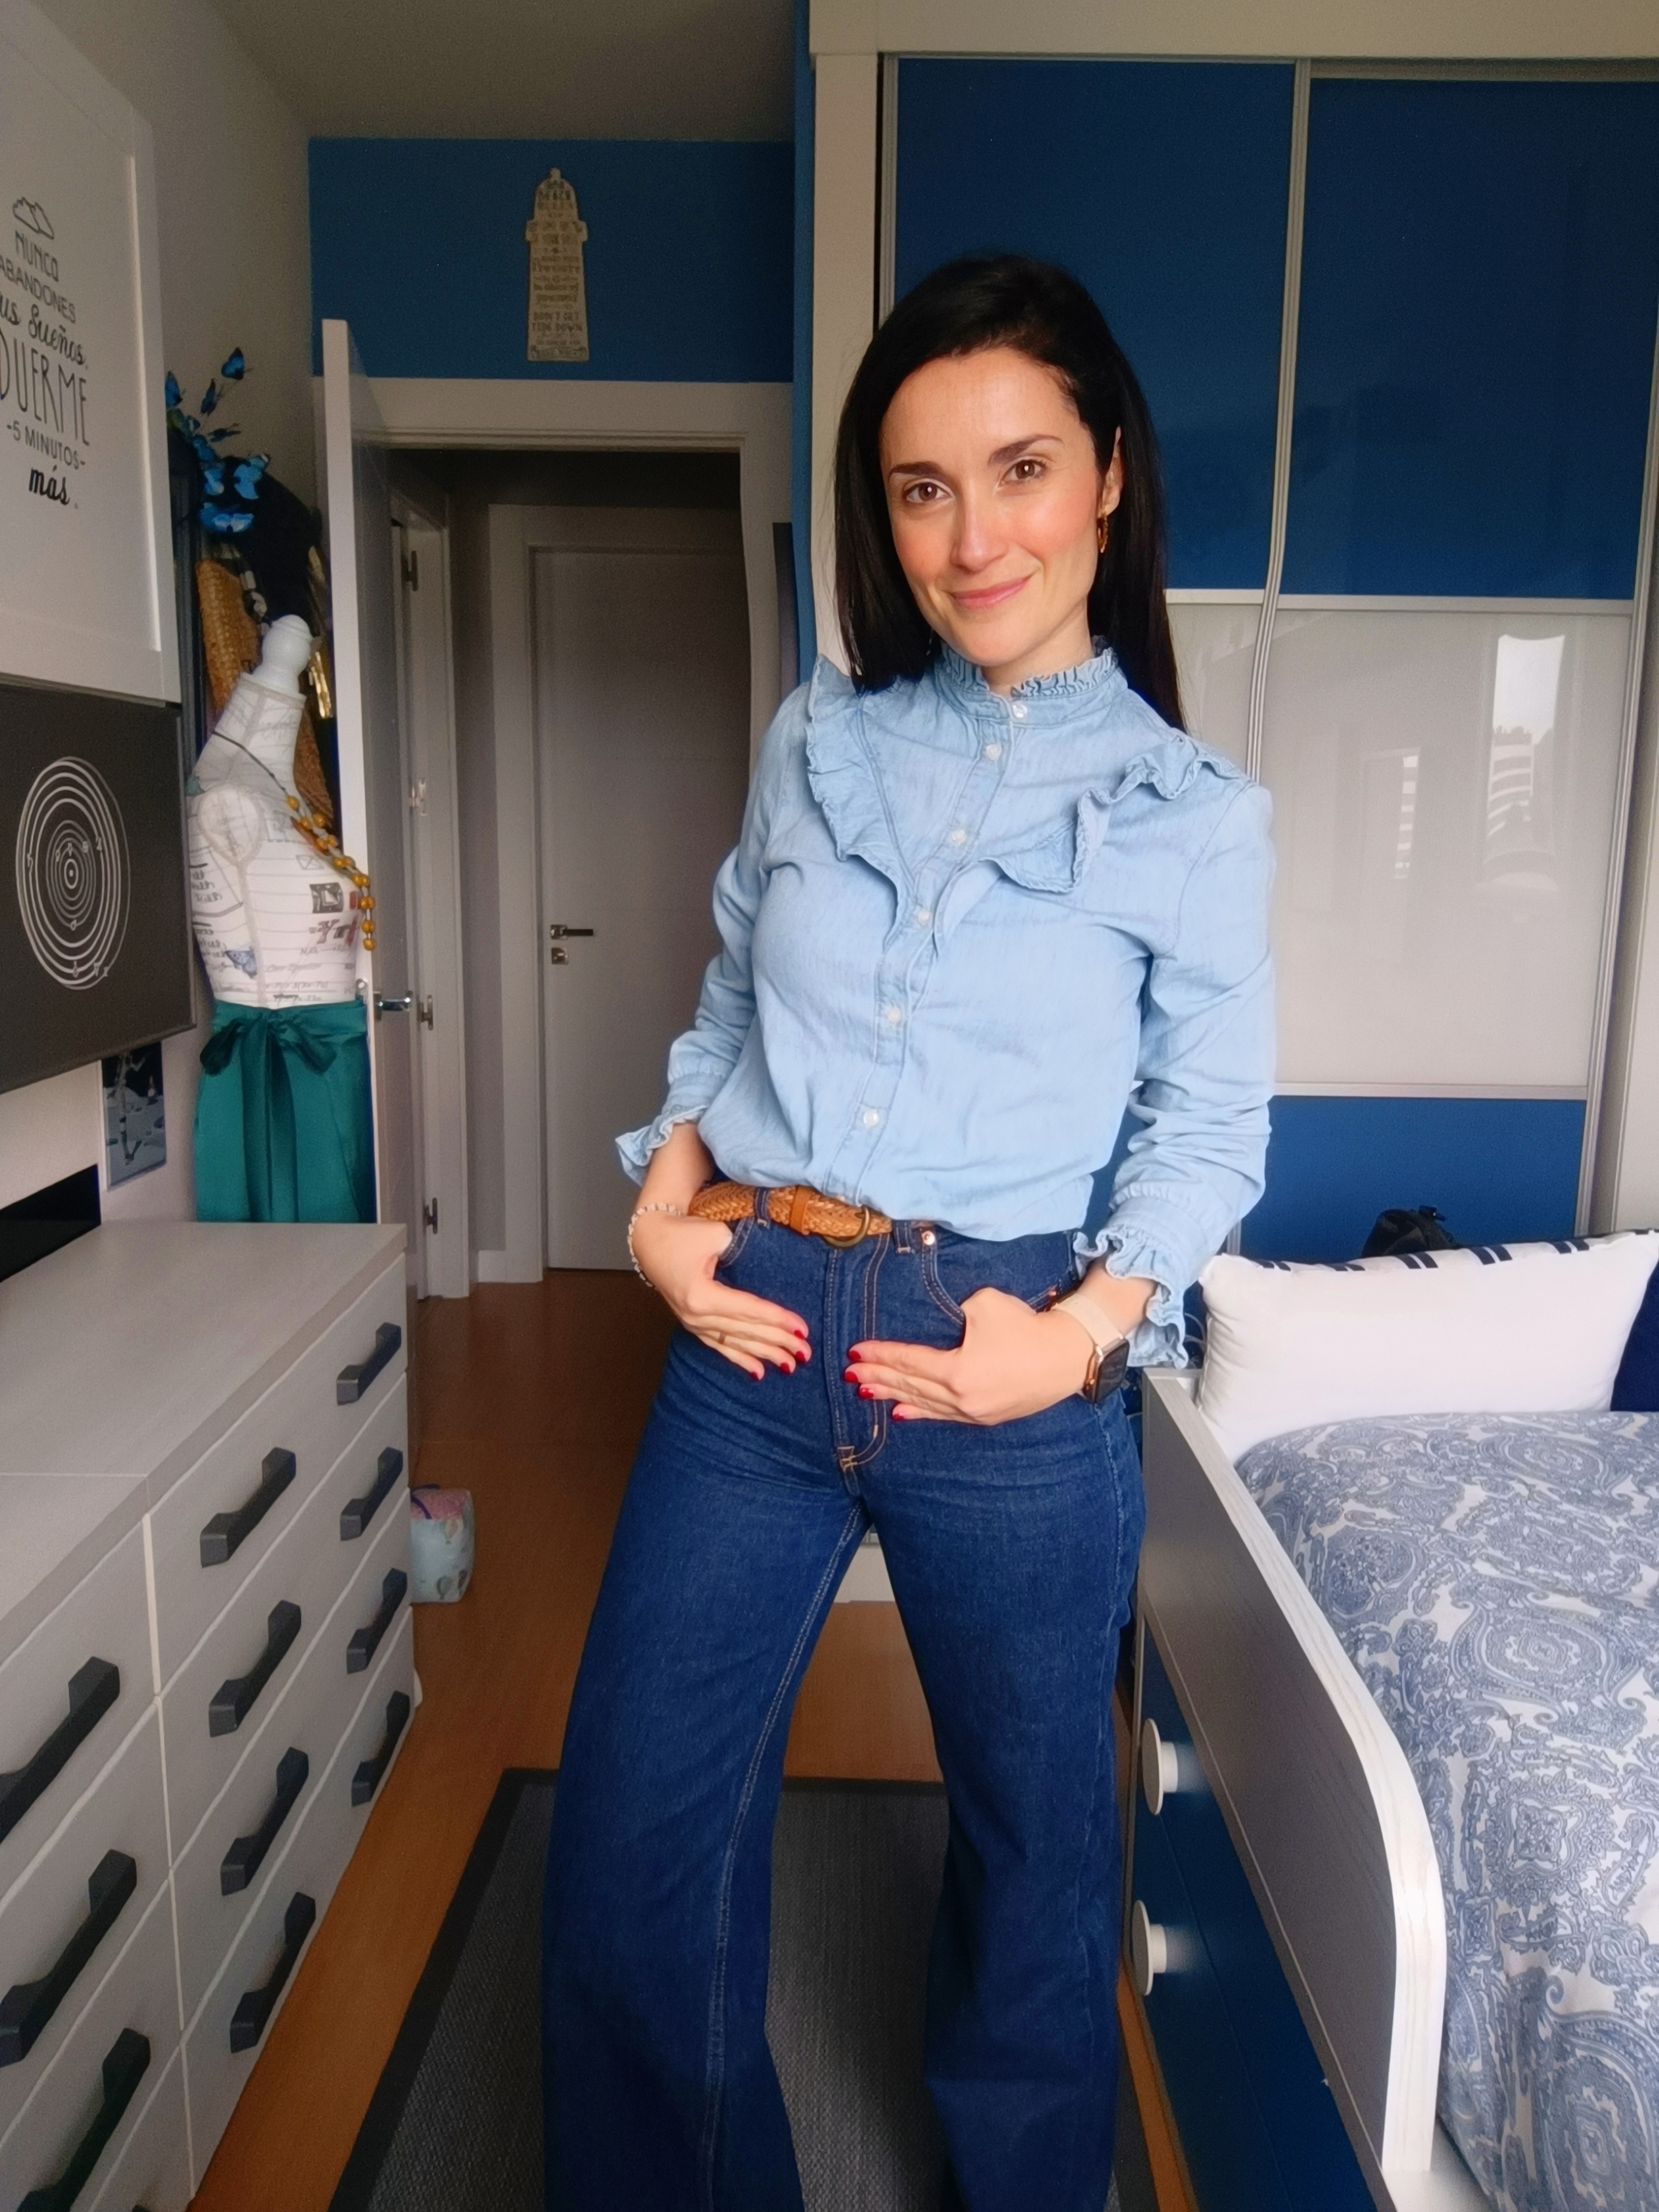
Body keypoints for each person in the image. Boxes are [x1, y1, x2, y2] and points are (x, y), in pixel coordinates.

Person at [542, 254, 1274, 2212]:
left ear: (1108, 474)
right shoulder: (820, 735)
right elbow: (728, 1000)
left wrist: (1081, 1335)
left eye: (1020, 471)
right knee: (632, 1836)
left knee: (1040, 1853)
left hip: (1007, 1349)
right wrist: (660, 1211)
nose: (972, 541)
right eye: (922, 489)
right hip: (756, 1321)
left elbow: (1211, 1124)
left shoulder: (1193, 814)